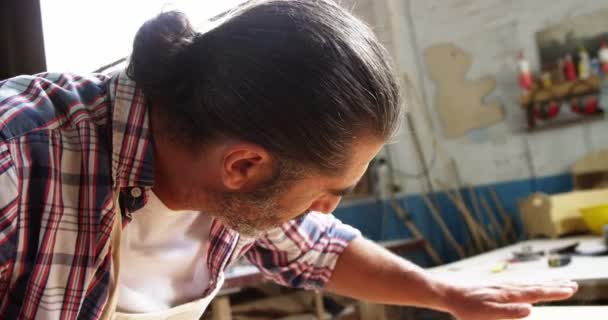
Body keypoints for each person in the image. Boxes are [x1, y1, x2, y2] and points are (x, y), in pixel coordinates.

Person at [0, 0, 576, 319]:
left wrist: (445, 294)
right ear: (244, 166)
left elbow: (321, 249)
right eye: (330, 190)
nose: (326, 210)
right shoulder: (18, 159)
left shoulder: (219, 167)